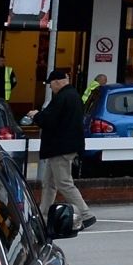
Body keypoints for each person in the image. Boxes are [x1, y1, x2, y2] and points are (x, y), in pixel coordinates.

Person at [28, 69, 92, 231]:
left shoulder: (62, 98)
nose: (51, 88)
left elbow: (49, 120)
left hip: (60, 147)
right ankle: (43, 214)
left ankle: (85, 214)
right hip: (63, 146)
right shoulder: (74, 96)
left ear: (57, 82)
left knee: (64, 182)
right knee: (49, 182)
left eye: (51, 85)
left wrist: (36, 115)